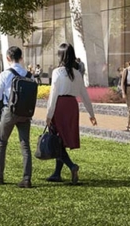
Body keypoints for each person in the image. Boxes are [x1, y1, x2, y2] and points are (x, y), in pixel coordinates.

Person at [43, 43, 97, 184]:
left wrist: (49, 115)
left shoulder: (57, 72)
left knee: (57, 141)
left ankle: (72, 166)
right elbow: (84, 95)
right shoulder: (77, 74)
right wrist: (91, 114)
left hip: (60, 106)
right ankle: (57, 173)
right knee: (61, 141)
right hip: (72, 106)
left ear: (61, 56)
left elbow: (53, 94)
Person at [0, 46, 35, 187]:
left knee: (2, 143)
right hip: (25, 112)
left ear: (8, 58)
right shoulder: (29, 75)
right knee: (25, 145)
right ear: (21, 58)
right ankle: (26, 178)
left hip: (10, 111)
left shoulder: (5, 74)